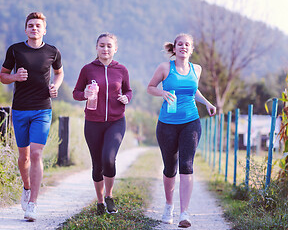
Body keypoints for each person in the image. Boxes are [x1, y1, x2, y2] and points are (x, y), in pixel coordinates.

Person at [0, 12, 64, 221]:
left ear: (44, 29)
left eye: (38, 25)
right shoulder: (15, 50)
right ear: (25, 29)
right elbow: (2, 76)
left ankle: (33, 205)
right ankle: (26, 188)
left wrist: (56, 86)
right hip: (19, 109)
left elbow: (59, 73)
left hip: (42, 109)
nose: (34, 28)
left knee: (36, 154)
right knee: (24, 157)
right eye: (31, 25)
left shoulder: (52, 52)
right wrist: (15, 77)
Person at [147, 33, 216, 228]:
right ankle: (169, 206)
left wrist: (207, 103)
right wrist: (162, 92)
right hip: (167, 123)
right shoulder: (164, 68)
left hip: (190, 122)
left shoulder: (197, 69)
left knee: (187, 165)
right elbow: (150, 87)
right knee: (170, 168)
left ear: (191, 49)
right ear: (174, 48)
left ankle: (184, 213)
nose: (183, 47)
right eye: (180, 44)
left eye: (187, 45)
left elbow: (193, 91)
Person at [73, 32, 132, 215]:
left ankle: (109, 196)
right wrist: (85, 95)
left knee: (109, 158)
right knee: (97, 164)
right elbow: (76, 92)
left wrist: (126, 98)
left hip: (116, 121)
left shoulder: (121, 69)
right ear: (96, 48)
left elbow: (129, 90)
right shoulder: (87, 69)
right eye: (102, 45)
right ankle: (99, 202)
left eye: (109, 46)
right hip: (93, 122)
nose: (105, 49)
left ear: (115, 49)